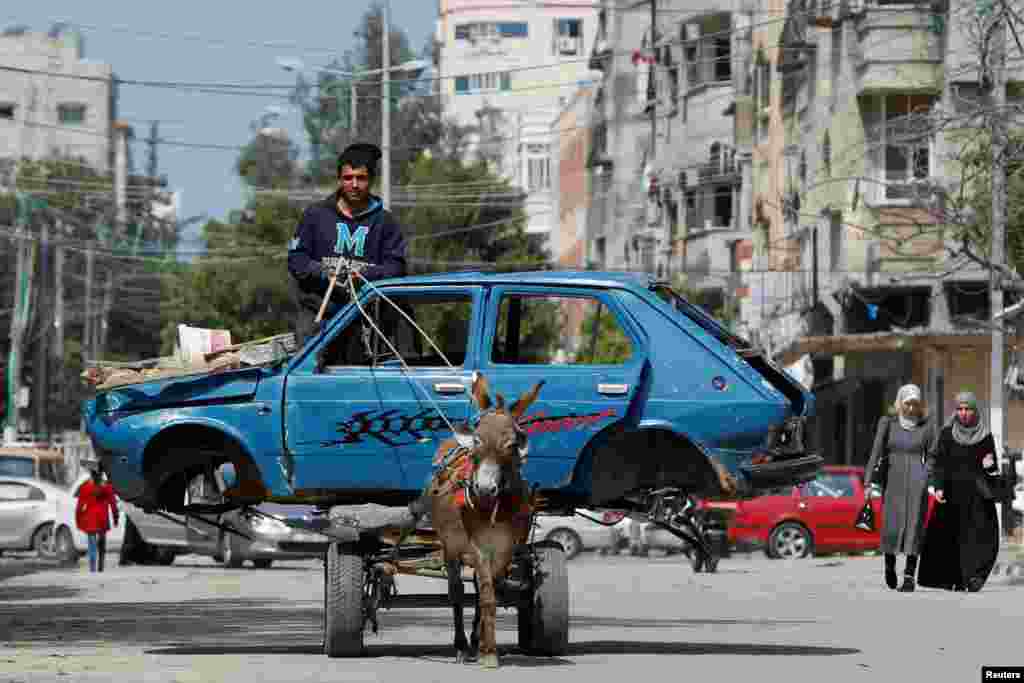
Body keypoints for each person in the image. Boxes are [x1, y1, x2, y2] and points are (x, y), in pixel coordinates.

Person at [287, 142, 408, 346]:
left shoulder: (386, 223)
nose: (354, 184)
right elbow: (296, 260)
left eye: (361, 178)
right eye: (348, 178)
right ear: (339, 179)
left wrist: (362, 276)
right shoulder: (315, 215)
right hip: (319, 316)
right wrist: (325, 272)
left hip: (367, 317)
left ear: (371, 180)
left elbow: (396, 268)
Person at [917, 391, 1001, 592]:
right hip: (952, 495)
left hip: (977, 498)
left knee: (980, 539)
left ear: (974, 411)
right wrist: (937, 487)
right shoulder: (947, 434)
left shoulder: (985, 436)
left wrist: (989, 466)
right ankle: (950, 579)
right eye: (960, 409)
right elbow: (939, 464)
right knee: (950, 539)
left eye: (968, 409)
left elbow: (992, 470)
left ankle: (973, 578)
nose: (963, 413)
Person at [864, 383, 935, 592]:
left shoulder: (927, 426)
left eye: (915, 404)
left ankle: (909, 577)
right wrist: (869, 482)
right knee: (891, 526)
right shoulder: (888, 423)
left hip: (917, 482)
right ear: (900, 403)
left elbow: (933, 454)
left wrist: (926, 475)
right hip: (892, 481)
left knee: (915, 526)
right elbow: (875, 453)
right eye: (907, 404)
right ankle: (889, 566)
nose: (911, 409)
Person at [75, 468, 120, 573]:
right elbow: (113, 504)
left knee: (92, 545)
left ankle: (92, 568)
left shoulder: (85, 487)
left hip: (90, 519)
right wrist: (115, 518)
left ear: (91, 475)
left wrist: (78, 520)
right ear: (101, 475)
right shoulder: (107, 488)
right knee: (102, 544)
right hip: (102, 519)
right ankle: (101, 566)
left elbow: (79, 507)